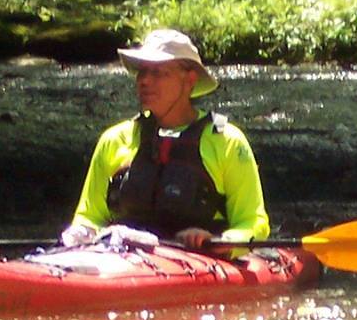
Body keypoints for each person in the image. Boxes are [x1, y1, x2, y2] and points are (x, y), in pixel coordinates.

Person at [61, 28, 270, 251]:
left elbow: (254, 223)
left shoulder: (227, 141)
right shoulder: (114, 140)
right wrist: (80, 233)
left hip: (201, 259)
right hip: (123, 259)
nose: (145, 81)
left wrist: (220, 241)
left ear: (189, 80)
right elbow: (88, 216)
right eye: (142, 71)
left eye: (159, 72)